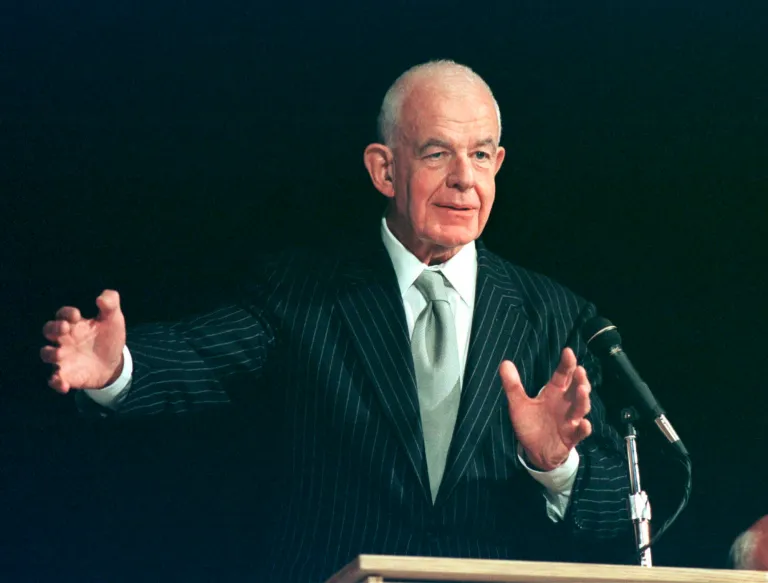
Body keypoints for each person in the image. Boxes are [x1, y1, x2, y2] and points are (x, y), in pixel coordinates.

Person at [40, 60, 632, 582]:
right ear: (384, 170)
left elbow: (617, 507)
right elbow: (201, 356)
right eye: (436, 153)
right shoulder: (303, 292)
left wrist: (556, 464)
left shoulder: (553, 313)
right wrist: (117, 367)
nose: (464, 178)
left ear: (498, 163)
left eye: (480, 155)